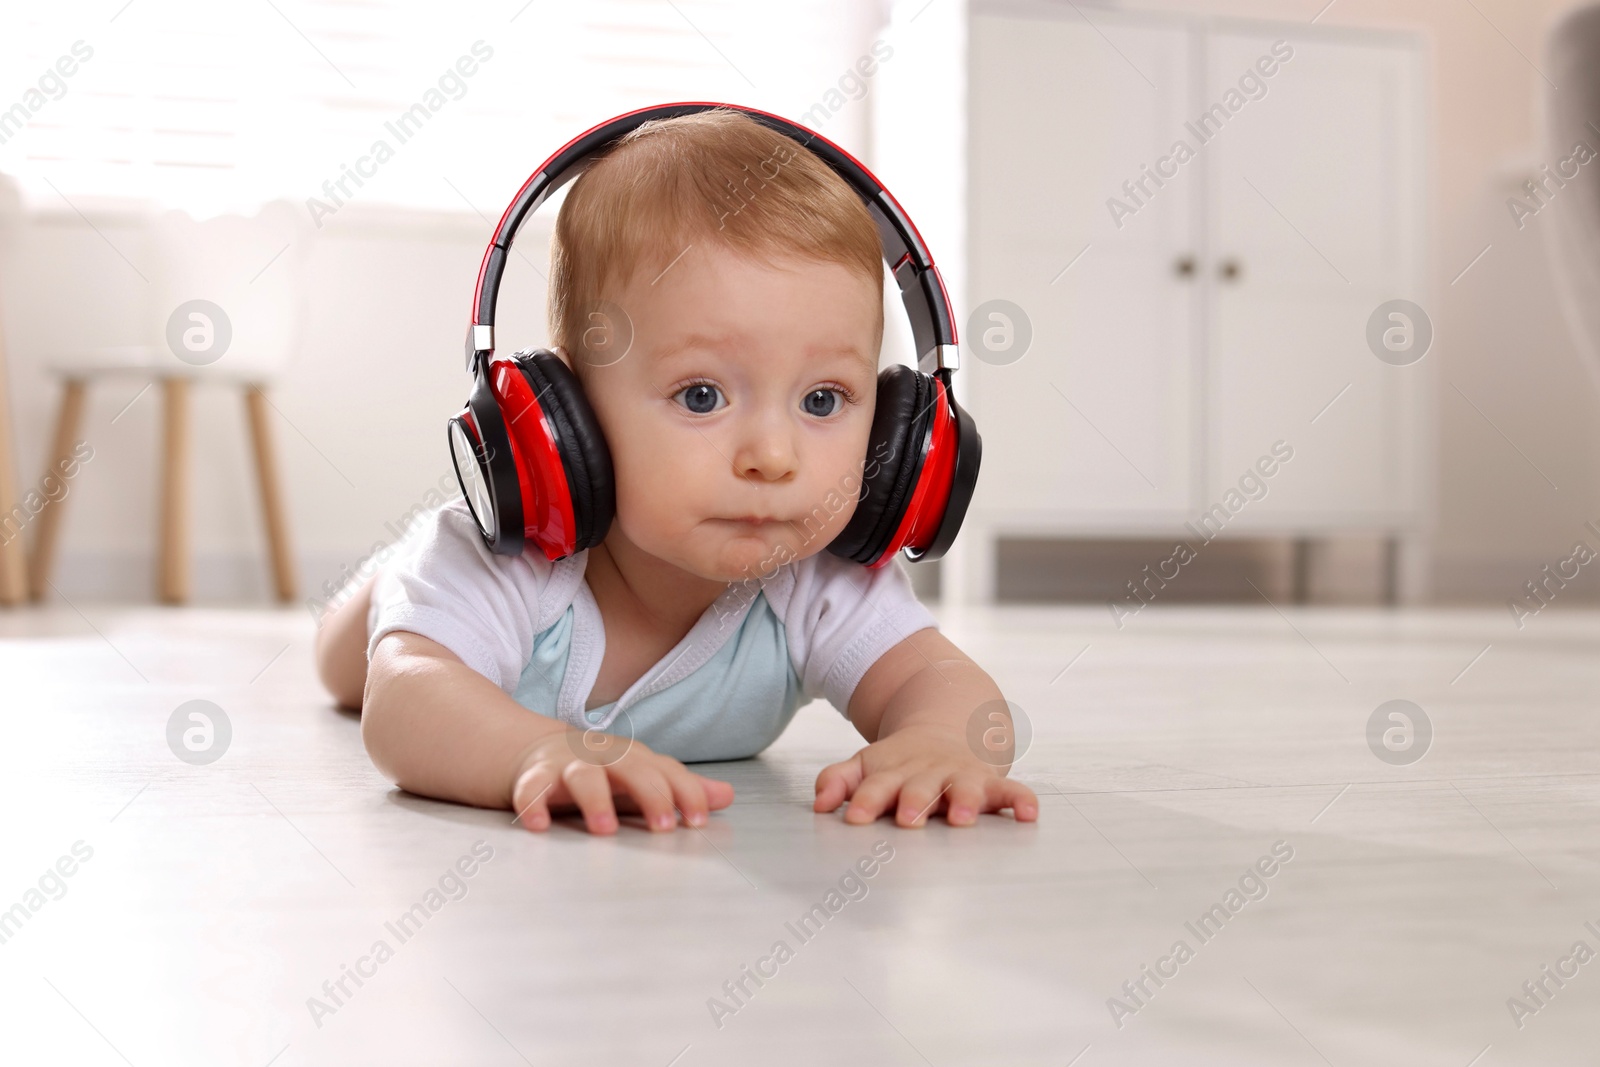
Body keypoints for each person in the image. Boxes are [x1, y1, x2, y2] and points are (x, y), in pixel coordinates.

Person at [313, 108, 1038, 835]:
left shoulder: (818, 583)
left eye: (823, 399)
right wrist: (531, 752)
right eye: (702, 396)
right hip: (426, 591)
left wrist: (942, 741)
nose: (773, 457)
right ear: (570, 421)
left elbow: (943, 685)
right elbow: (403, 704)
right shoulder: (505, 565)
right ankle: (388, 583)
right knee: (347, 662)